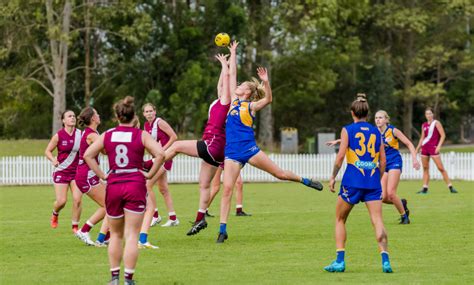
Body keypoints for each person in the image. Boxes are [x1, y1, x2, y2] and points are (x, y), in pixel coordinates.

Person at [217, 57, 323, 243]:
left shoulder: (251, 106)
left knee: (280, 174)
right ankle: (222, 230)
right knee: (226, 190)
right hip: (232, 152)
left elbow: (269, 98)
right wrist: (232, 54)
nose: (238, 85)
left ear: (248, 92)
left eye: (242, 85)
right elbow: (231, 74)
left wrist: (265, 81)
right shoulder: (234, 101)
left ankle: (305, 181)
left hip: (249, 150)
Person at [84, 96, 165, 285]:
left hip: (114, 184)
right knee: (131, 235)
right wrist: (149, 174)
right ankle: (128, 279)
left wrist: (103, 175)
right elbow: (160, 154)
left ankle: (114, 278)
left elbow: (88, 154)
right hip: (135, 184)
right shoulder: (140, 135)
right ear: (134, 115)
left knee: (116, 235)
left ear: (117, 116)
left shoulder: (108, 134)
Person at [163, 50, 234, 237]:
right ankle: (199, 218)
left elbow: (226, 80)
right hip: (217, 151)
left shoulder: (226, 102)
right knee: (204, 185)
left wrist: (225, 65)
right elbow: (221, 82)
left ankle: (152, 164)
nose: (220, 88)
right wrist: (223, 65)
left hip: (212, 145)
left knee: (176, 146)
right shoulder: (221, 100)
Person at [325, 94, 392, 273]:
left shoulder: (347, 130)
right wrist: (377, 179)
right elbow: (383, 161)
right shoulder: (377, 131)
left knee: (340, 219)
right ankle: (385, 260)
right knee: (377, 220)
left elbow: (340, 157)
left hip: (352, 181)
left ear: (352, 112)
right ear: (367, 114)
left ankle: (340, 261)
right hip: (372, 182)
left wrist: (333, 177)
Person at [138, 103, 178, 249]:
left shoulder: (160, 122)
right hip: (157, 158)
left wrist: (162, 151)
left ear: (155, 111)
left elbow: (174, 137)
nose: (149, 113)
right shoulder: (146, 126)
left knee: (148, 184)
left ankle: (155, 215)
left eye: (151, 111)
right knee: (163, 189)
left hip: (164, 157)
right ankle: (173, 217)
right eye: (146, 111)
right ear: (143, 114)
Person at [74, 107, 110, 246]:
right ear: (93, 118)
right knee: (108, 206)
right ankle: (84, 230)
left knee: (111, 204)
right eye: (97, 114)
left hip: (89, 175)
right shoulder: (92, 135)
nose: (99, 115)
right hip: (86, 176)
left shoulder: (93, 133)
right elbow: (106, 150)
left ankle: (106, 236)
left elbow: (104, 151)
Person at [44, 110, 82, 233]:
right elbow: (47, 151)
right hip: (61, 171)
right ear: (63, 120)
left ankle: (75, 227)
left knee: (77, 199)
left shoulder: (80, 134)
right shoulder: (58, 135)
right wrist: (52, 160)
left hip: (76, 172)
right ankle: (55, 213)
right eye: (69, 116)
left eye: (74, 116)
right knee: (62, 201)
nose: (72, 118)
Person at [415, 107, 458, 194]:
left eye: (430, 113)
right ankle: (425, 189)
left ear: (433, 114)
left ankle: (450, 187)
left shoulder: (436, 123)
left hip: (433, 148)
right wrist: (417, 149)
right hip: (425, 148)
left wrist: (439, 146)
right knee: (425, 168)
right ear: (425, 115)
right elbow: (422, 138)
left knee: (440, 168)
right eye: (427, 114)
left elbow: (443, 135)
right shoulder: (424, 125)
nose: (428, 115)